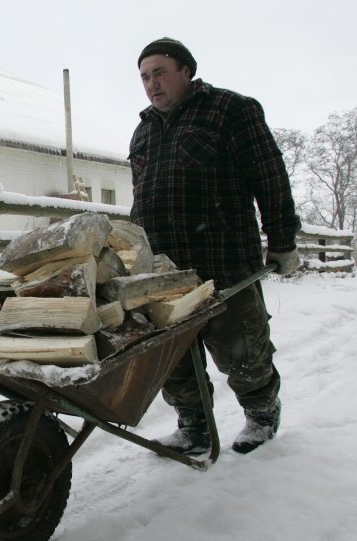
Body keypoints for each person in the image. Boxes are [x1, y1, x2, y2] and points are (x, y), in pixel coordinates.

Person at [128, 38, 302, 454]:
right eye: (145, 77)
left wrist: (281, 241)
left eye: (160, 72)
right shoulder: (144, 130)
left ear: (187, 71)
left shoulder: (230, 110)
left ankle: (261, 413)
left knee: (240, 349)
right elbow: (141, 197)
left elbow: (270, 177)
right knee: (173, 358)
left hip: (223, 260)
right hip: (165, 272)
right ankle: (194, 426)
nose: (152, 84)